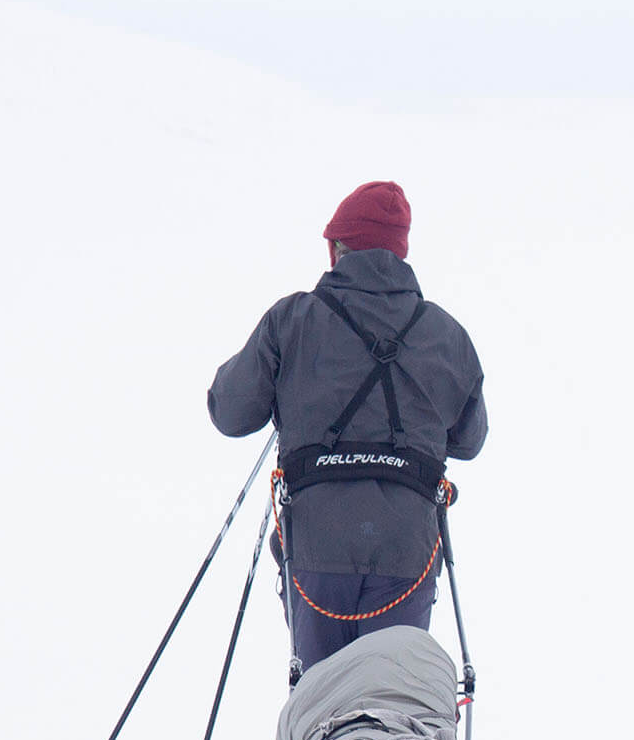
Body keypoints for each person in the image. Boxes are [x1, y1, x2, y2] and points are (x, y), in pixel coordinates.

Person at [209, 181, 487, 681]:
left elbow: (229, 413)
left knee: (322, 704)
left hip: (315, 548)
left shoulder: (291, 320)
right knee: (389, 706)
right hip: (408, 553)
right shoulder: (448, 335)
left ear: (338, 249)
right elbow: (469, 440)